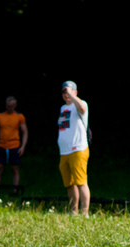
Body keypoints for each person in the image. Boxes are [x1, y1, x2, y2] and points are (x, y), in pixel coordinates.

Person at [57, 81, 90, 216]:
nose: (66, 94)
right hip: (64, 151)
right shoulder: (63, 108)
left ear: (75, 92)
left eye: (69, 91)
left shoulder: (80, 104)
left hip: (78, 149)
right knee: (69, 183)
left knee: (81, 181)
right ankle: (73, 211)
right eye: (64, 92)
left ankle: (85, 213)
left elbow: (82, 108)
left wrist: (72, 95)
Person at [0, 96, 28, 188]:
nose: (8, 108)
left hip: (14, 146)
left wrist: (23, 146)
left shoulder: (19, 116)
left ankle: (15, 190)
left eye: (10, 106)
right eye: (7, 106)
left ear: (15, 106)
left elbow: (25, 132)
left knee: (15, 169)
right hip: (1, 146)